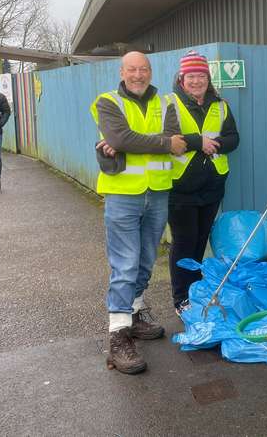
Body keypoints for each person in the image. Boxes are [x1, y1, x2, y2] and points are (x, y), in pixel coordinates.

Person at [90, 51, 186, 375]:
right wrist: (153, 142)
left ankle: (134, 313)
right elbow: (120, 137)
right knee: (125, 263)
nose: (138, 74)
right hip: (123, 194)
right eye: (132, 69)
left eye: (143, 69)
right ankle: (118, 336)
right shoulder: (108, 102)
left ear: (150, 71)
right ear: (122, 71)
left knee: (146, 259)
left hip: (158, 191)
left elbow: (176, 141)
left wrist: (133, 142)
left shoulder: (166, 102)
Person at [165, 51, 239, 315]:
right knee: (184, 242)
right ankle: (180, 298)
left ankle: (195, 290)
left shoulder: (220, 105)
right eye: (191, 76)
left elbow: (233, 138)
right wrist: (200, 143)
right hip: (180, 187)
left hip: (212, 186)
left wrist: (216, 144)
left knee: (200, 241)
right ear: (182, 78)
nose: (197, 81)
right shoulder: (169, 103)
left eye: (201, 76)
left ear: (208, 79)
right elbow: (167, 138)